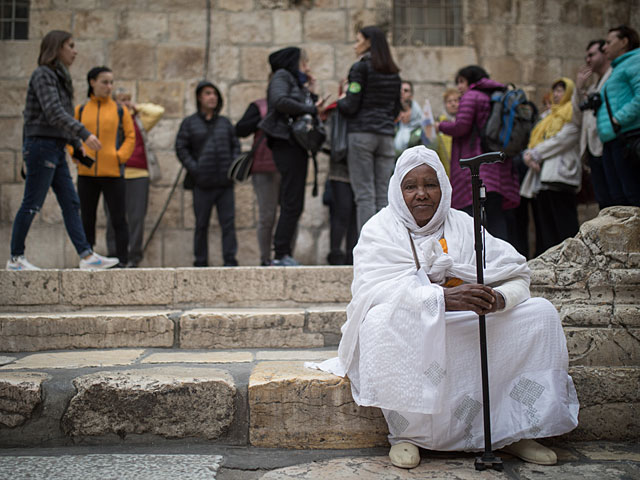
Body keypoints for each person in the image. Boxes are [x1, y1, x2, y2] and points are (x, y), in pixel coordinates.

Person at [310, 146, 578, 469]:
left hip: (467, 324)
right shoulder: (379, 231)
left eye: (430, 184)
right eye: (411, 186)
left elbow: (517, 274)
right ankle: (407, 435)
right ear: (398, 191)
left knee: (541, 313)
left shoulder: (464, 225)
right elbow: (373, 294)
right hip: (414, 325)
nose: (421, 194)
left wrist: (498, 300)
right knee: (378, 323)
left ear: (445, 188)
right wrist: (441, 299)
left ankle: (515, 430)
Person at [7, 30, 118, 271]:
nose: (75, 51)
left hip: (55, 147)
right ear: (57, 48)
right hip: (41, 147)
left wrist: (76, 146)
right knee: (32, 202)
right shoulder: (43, 74)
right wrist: (84, 133)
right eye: (71, 45)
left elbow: (62, 116)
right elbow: (53, 112)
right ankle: (16, 258)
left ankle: (87, 256)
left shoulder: (59, 77)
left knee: (71, 202)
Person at [437, 65, 520, 242]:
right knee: (496, 215)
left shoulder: (471, 96)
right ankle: (503, 261)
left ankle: (477, 264)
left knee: (472, 218)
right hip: (497, 168)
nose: (459, 87)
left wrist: (441, 126)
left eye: (461, 81)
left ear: (471, 80)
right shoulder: (495, 95)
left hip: (476, 167)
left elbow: (461, 127)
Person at [259, 47, 325, 266]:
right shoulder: (282, 75)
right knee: (291, 200)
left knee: (294, 201)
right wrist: (310, 107)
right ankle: (280, 254)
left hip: (295, 145)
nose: (306, 67)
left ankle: (283, 252)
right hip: (286, 143)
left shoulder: (294, 81)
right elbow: (279, 101)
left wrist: (310, 89)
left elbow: (304, 107)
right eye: (303, 62)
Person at [338, 26, 402, 232]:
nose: (355, 45)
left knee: (364, 194)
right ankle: (385, 246)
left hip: (361, 135)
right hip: (385, 137)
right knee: (383, 194)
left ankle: (368, 250)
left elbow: (351, 104)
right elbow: (396, 109)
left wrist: (340, 101)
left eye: (358, 40)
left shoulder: (360, 68)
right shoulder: (394, 73)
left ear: (368, 42)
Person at [74, 66, 135, 268]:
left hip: (113, 173)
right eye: (104, 82)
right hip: (87, 173)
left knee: (118, 218)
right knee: (87, 217)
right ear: (92, 82)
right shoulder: (81, 110)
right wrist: (76, 156)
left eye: (111, 82)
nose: (109, 86)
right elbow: (70, 136)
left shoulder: (120, 110)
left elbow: (130, 136)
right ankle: (87, 257)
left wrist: (119, 157)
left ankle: (123, 260)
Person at [175, 80, 240, 267]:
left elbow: (235, 146)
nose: (212, 97)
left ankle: (230, 261)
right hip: (202, 184)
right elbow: (181, 148)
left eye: (214, 94)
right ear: (199, 97)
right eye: (207, 93)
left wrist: (232, 167)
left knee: (228, 224)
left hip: (225, 184)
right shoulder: (189, 123)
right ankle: (200, 262)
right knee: (201, 225)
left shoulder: (225, 123)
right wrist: (196, 170)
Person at [520, 78, 581, 256]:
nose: (556, 94)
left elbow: (563, 139)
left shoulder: (571, 113)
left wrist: (535, 154)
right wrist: (528, 156)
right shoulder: (547, 117)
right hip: (542, 177)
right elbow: (534, 142)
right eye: (555, 90)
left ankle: (570, 259)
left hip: (561, 175)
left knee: (563, 224)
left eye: (561, 90)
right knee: (545, 226)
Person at [105, 88, 165, 267]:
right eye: (120, 100)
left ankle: (134, 256)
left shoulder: (138, 121)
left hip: (138, 174)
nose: (124, 103)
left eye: (127, 100)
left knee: (136, 216)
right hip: (114, 173)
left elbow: (158, 112)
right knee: (113, 216)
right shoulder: (109, 121)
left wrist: (136, 106)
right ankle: (114, 254)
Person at [595, 25, 640, 207]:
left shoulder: (635, 61)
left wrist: (618, 118)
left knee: (632, 195)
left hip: (627, 138)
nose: (605, 47)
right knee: (618, 198)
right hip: (613, 139)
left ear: (624, 42)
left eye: (608, 42)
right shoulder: (618, 67)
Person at [235, 92, 280, 266]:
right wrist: (265, 119)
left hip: (289, 168)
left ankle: (283, 255)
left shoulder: (296, 104)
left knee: (290, 214)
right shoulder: (259, 106)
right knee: (267, 215)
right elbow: (240, 129)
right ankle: (266, 258)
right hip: (264, 169)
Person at [572, 40, 612, 209]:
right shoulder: (593, 86)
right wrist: (579, 88)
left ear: (604, 54)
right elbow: (577, 118)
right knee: (603, 200)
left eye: (592, 55)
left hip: (608, 144)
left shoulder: (613, 77)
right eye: (586, 56)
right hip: (592, 149)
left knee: (618, 196)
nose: (588, 60)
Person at [433, 88, 460, 176]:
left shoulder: (464, 124)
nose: (453, 104)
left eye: (456, 100)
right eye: (449, 101)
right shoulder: (439, 125)